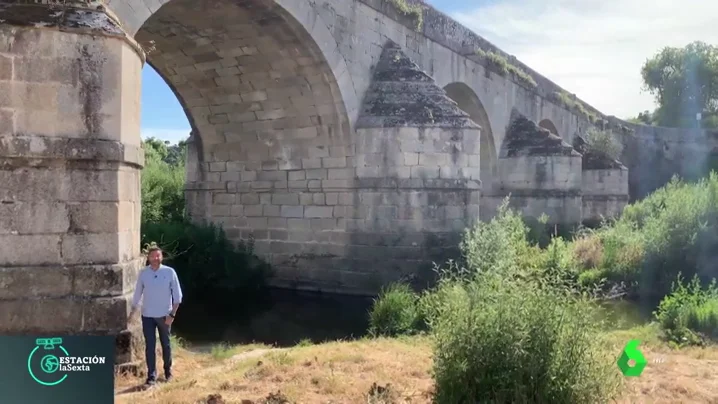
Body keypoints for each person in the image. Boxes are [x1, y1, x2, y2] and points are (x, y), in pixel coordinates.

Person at [129, 246, 183, 386]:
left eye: (158, 256)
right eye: (153, 256)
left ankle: (168, 371)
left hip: (165, 315)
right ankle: (151, 375)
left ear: (161, 257)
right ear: (148, 258)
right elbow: (137, 294)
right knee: (150, 346)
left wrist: (172, 314)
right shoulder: (143, 273)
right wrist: (134, 312)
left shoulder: (169, 272)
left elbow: (177, 296)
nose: (155, 258)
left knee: (166, 344)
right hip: (147, 315)